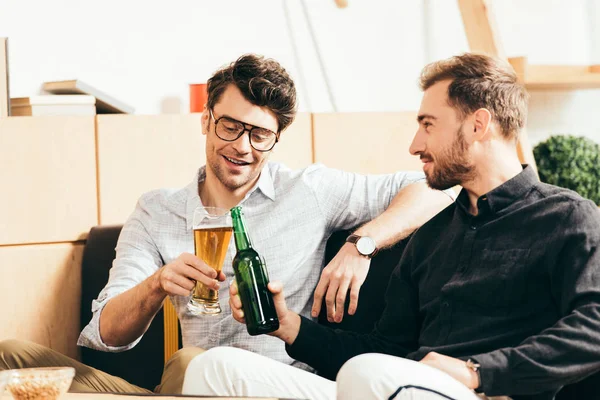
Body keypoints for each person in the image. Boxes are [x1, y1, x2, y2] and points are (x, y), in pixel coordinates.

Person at [0, 54, 451, 394]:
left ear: (275, 139)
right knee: (12, 357)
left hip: (267, 386)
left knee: (192, 362)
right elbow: (105, 335)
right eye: (231, 127)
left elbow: (434, 187)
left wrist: (362, 244)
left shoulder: (308, 191)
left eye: (260, 134)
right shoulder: (158, 211)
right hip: (181, 387)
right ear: (205, 121)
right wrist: (157, 284)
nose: (244, 147)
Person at [184, 53, 600, 400]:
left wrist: (477, 372)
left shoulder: (567, 218)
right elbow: (384, 350)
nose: (415, 145)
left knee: (370, 376)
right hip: (394, 385)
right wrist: (287, 326)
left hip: (485, 391)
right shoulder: (434, 236)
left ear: (478, 125)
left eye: (428, 124)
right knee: (217, 368)